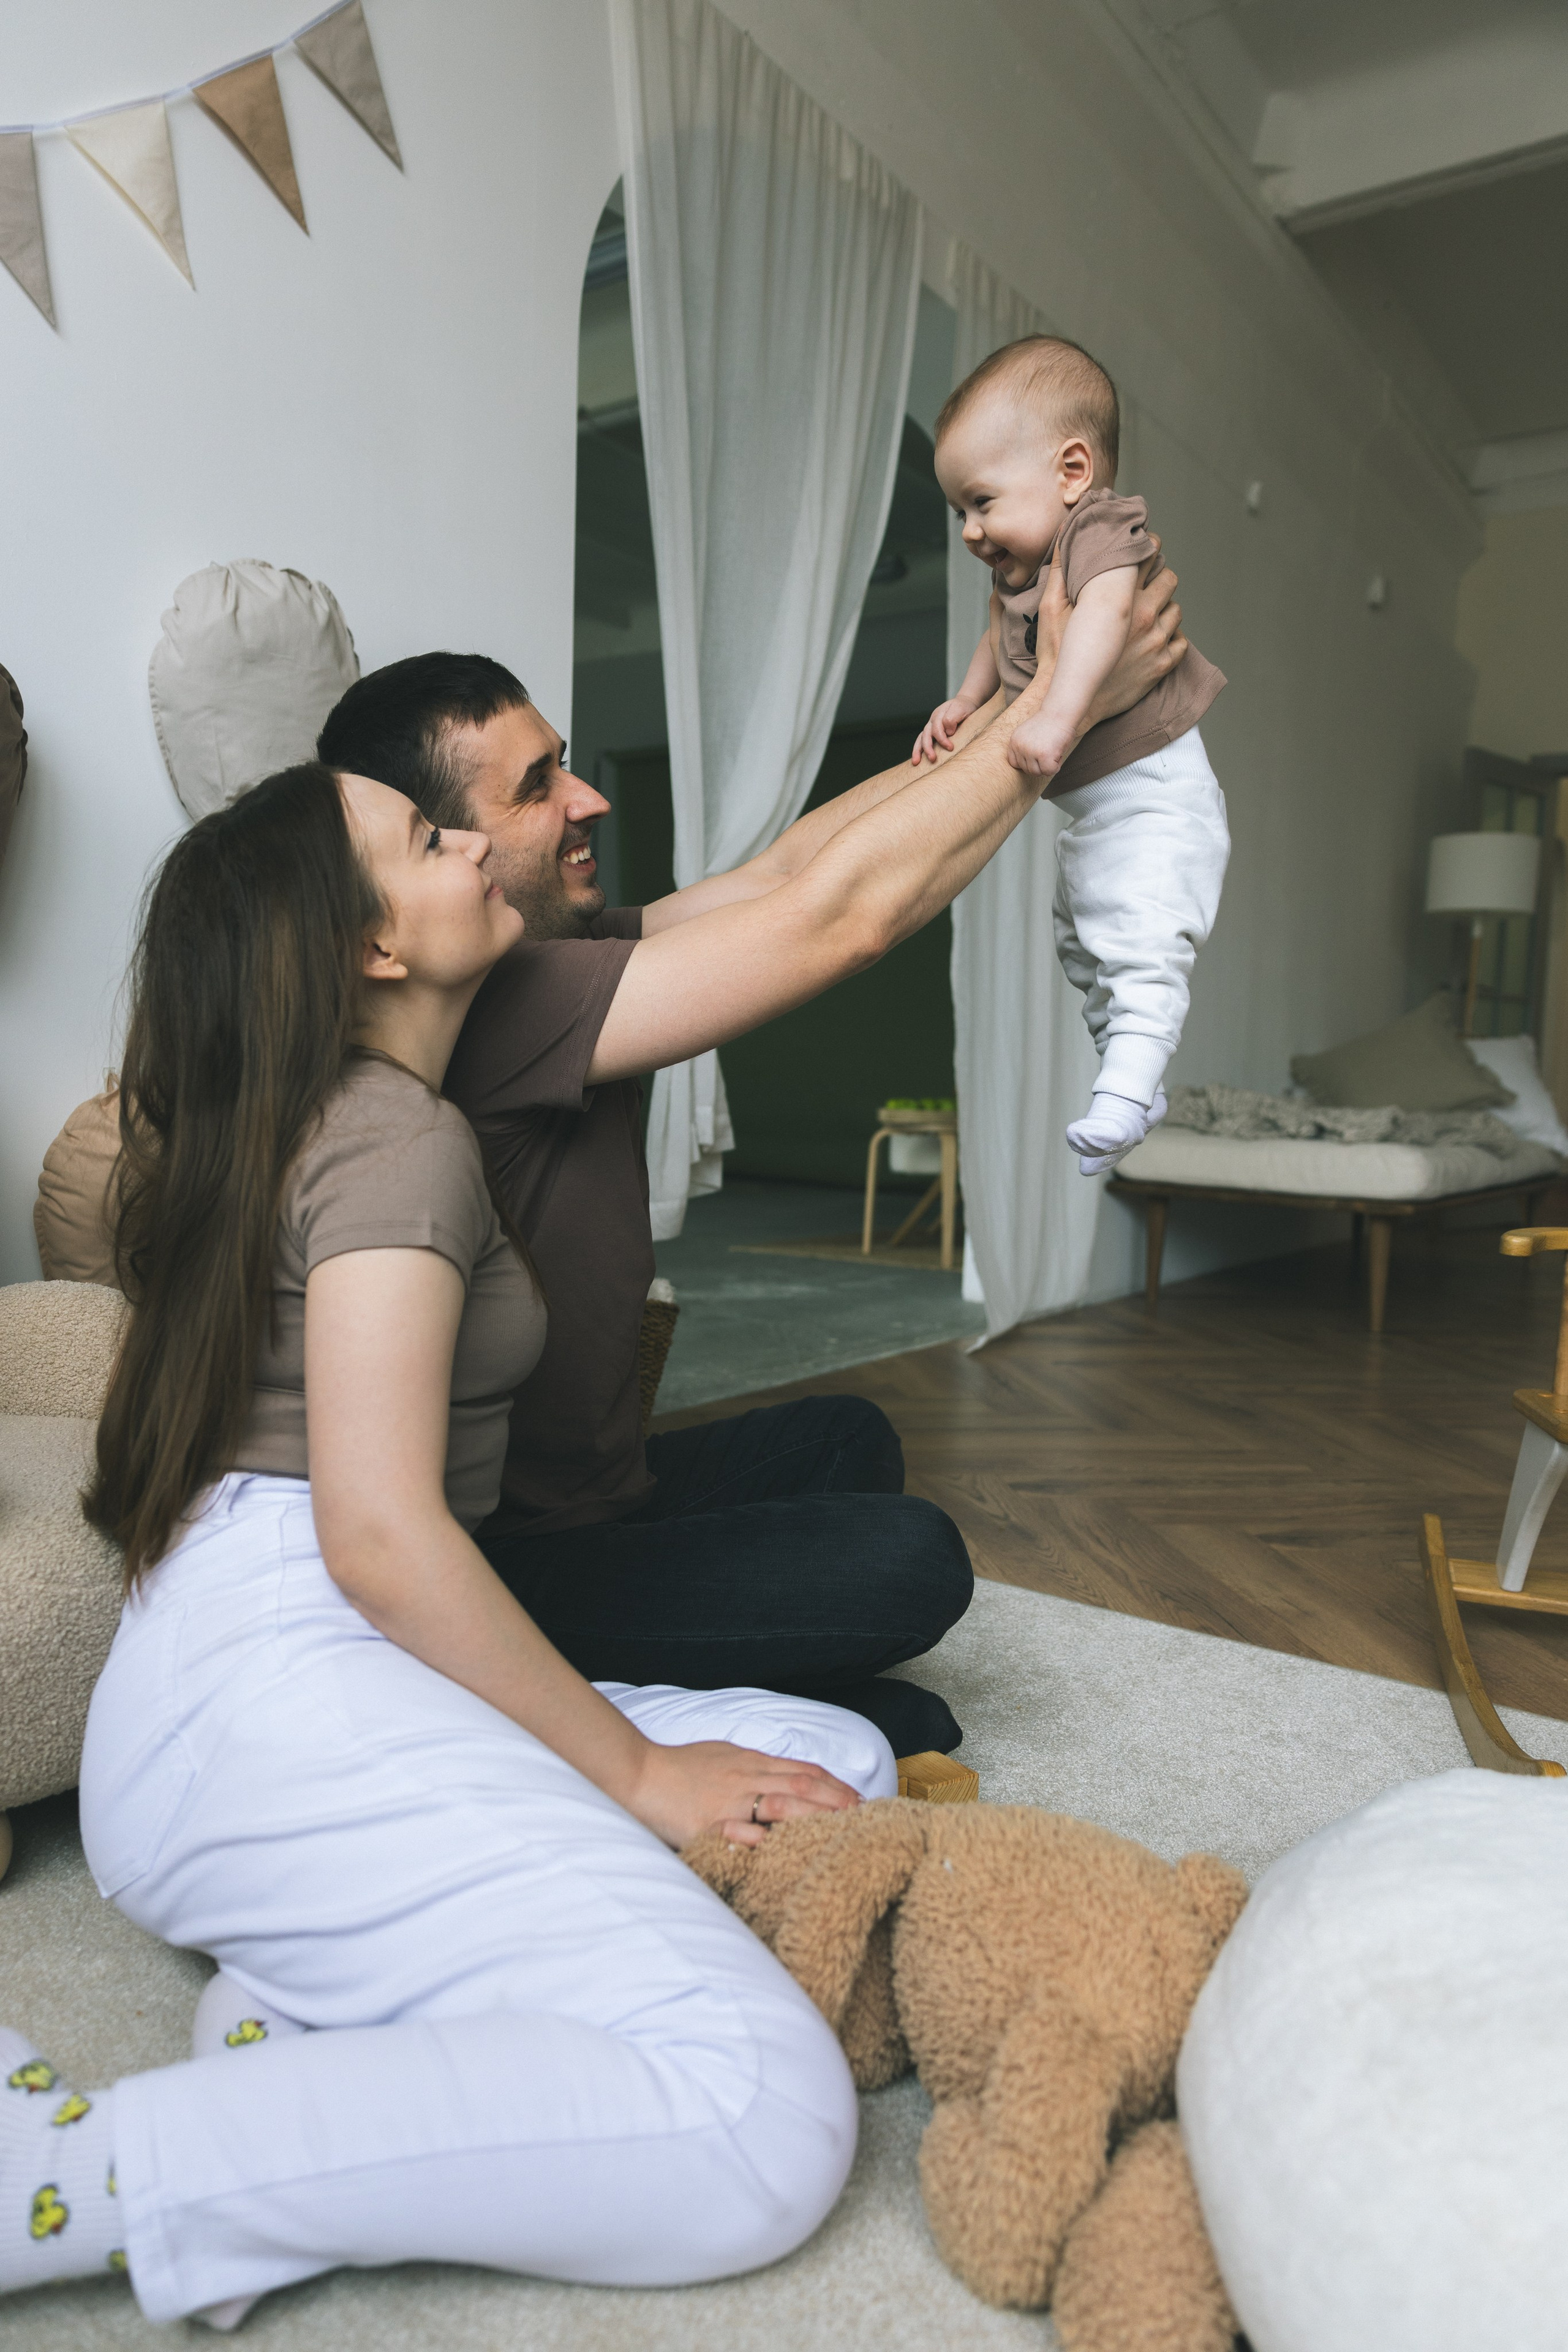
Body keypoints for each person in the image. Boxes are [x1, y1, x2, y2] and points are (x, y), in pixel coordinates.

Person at [1, 760, 892, 2325]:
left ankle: (305, 2024)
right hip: (277, 1682)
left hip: (252, 1675)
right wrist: (634, 1773)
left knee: (828, 1769)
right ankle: (71, 2168)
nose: (480, 838)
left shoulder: (338, 1116)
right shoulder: (389, 1141)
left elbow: (756, 909)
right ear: (370, 949)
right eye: (429, 837)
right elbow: (378, 1535)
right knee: (760, 2112)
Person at [315, 554, 1187, 1758]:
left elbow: (784, 875)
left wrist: (1016, 697)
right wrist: (1064, 712)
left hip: (598, 1498)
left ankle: (706, 1673)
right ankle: (586, 1687)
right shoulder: (499, 1001)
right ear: (447, 851)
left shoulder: (558, 952)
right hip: (521, 1559)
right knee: (910, 1571)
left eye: (564, 762)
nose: (588, 800)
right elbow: (837, 921)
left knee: (849, 1442)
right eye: (536, 788)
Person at [915, 334, 1230, 1177]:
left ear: (1073, 471)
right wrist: (967, 700)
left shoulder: (1098, 531)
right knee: (1081, 942)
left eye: (981, 501)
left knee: (1138, 941)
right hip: (1103, 809)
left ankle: (1125, 1091)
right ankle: (1132, 1075)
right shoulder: (1022, 566)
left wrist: (1062, 710)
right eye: (961, 514)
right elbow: (997, 633)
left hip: (1158, 792)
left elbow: (1100, 625)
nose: (972, 531)